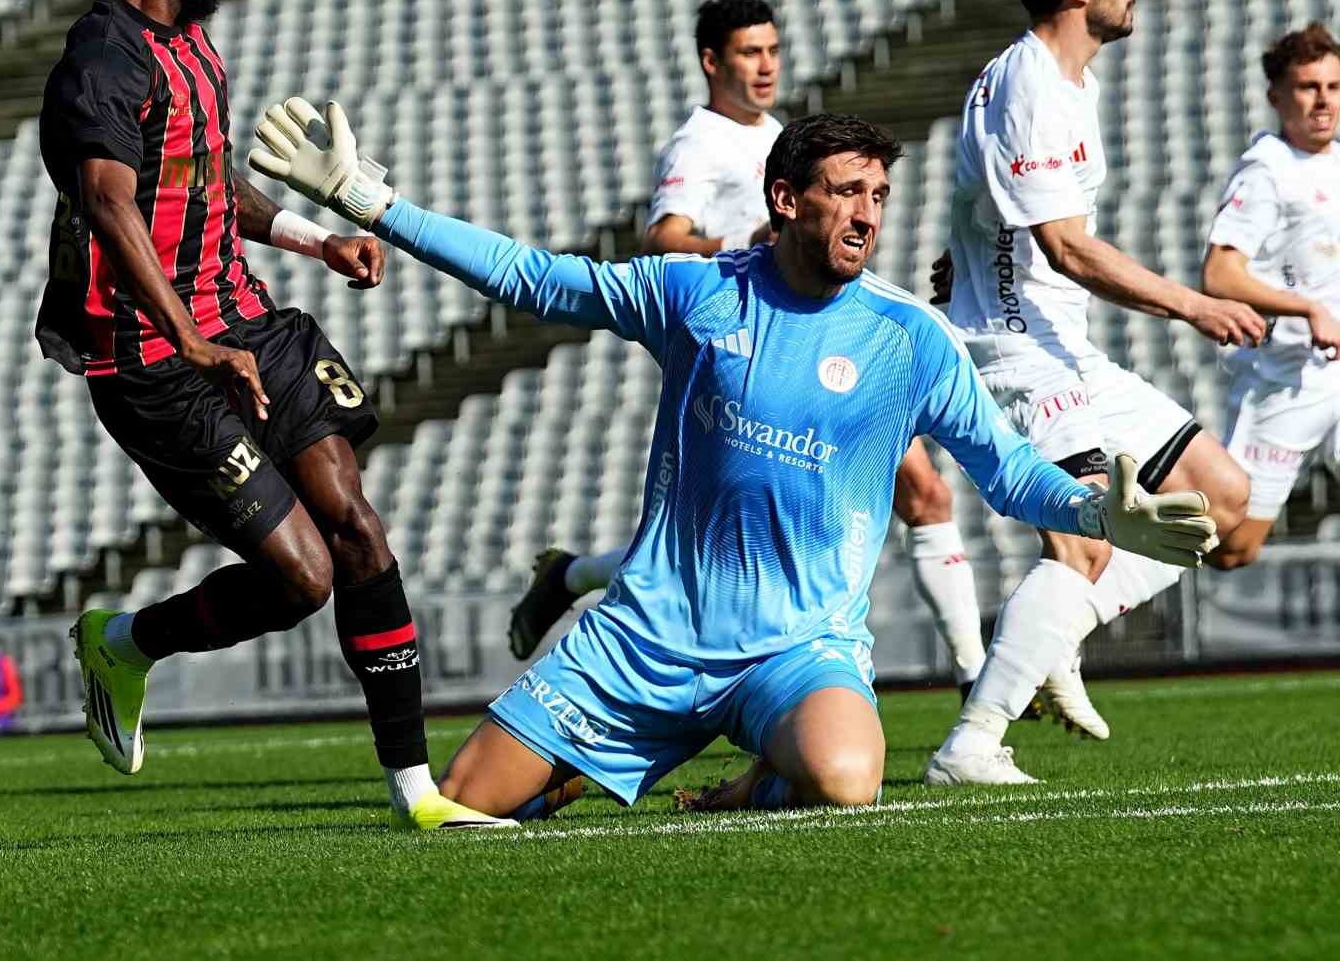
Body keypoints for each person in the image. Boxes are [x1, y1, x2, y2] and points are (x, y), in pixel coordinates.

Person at [246, 96, 1216, 818]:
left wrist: (1095, 513)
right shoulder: (695, 293)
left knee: (847, 778)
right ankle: (604, 754)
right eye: (845, 192)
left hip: (796, 650)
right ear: (786, 198)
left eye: (878, 194)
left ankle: (755, 773)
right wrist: (370, 202)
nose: (867, 215)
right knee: (464, 802)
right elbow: (535, 278)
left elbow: (1006, 470)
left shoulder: (908, 338)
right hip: (645, 637)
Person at [40, 0, 509, 831]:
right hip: (156, 362)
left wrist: (317, 238)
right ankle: (125, 643)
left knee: (358, 530)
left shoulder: (194, 50)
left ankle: (417, 793)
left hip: (252, 325)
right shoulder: (102, 63)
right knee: (303, 576)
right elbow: (107, 204)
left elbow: (211, 189)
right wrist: (192, 341)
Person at [507, 0, 989, 699]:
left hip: (811, 336)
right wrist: (749, 240)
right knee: (916, 491)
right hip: (743, 342)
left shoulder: (785, 134)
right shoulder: (698, 143)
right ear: (712, 61)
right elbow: (662, 241)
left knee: (901, 496)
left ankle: (573, 576)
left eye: (773, 50)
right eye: (749, 53)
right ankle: (976, 678)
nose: (766, 66)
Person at [924, 0, 1267, 787]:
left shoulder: (1063, 80)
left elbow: (981, 194)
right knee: (1084, 545)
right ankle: (974, 740)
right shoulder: (1031, 82)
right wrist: (1192, 305)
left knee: (1226, 504)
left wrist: (957, 253)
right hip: (1013, 350)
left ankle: (1053, 631)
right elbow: (1066, 246)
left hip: (1061, 343)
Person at [1202, 23, 1340, 555]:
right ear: (1276, 97)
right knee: (1236, 550)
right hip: (1285, 379)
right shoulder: (1266, 173)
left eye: (1333, 86)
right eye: (1308, 87)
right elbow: (1219, 275)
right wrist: (1307, 308)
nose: (1323, 100)